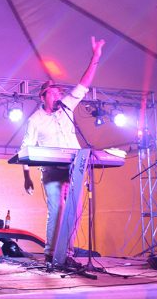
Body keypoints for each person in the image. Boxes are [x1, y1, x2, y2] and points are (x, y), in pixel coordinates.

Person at [21, 36, 105, 266]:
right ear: (43, 96)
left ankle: (66, 253)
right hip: (52, 170)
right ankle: (50, 253)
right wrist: (27, 176)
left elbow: (83, 84)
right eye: (53, 92)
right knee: (57, 209)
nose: (58, 95)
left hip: (74, 168)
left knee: (74, 211)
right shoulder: (35, 120)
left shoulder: (66, 108)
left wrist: (95, 56)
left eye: (59, 92)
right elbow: (25, 149)